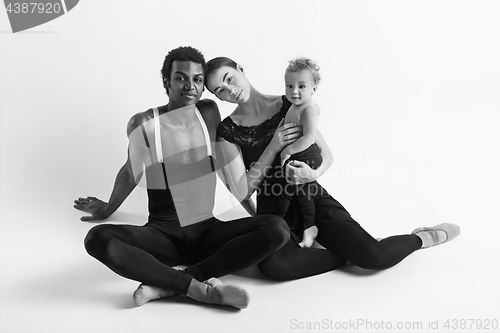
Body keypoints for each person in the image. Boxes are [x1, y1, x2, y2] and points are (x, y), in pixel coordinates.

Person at [205, 56, 461, 281]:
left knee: (375, 257)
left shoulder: (291, 103)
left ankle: (425, 237)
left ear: (240, 69)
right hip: (274, 211)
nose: (230, 90)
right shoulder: (228, 130)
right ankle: (344, 255)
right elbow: (241, 190)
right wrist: (273, 147)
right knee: (274, 267)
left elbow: (326, 155)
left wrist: (313, 173)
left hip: (310, 195)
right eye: (220, 90)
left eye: (230, 79)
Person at [73, 46, 290, 309]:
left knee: (277, 227)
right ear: (166, 81)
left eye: (197, 79)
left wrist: (255, 217)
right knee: (98, 238)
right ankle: (200, 290)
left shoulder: (208, 112)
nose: (190, 86)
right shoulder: (143, 122)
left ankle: (172, 285)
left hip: (208, 232)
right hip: (163, 236)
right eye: (181, 78)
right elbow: (131, 172)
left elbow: (225, 169)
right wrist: (107, 209)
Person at [268, 57, 323, 248]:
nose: (294, 91)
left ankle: (272, 222)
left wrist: (287, 151)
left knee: (286, 189)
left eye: (301, 86)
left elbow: (308, 137)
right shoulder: (297, 105)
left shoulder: (307, 109)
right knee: (302, 191)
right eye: (289, 86)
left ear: (313, 89)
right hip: (299, 155)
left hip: (306, 156)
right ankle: (310, 226)